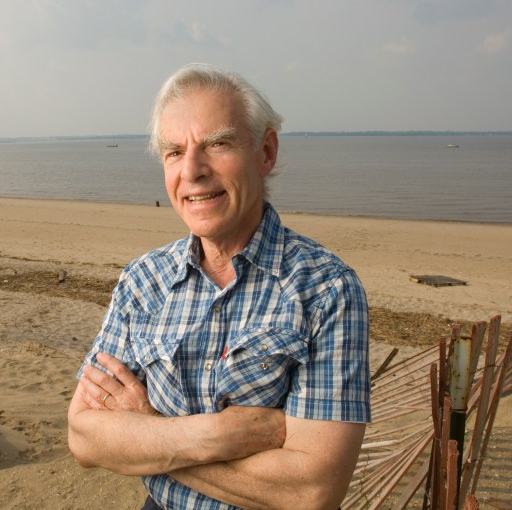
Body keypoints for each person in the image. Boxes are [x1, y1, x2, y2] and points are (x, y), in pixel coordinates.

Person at [67, 64, 370, 510]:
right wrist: (217, 435)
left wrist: (148, 430)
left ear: (265, 152)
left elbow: (311, 492)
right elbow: (84, 436)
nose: (192, 171)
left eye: (217, 144)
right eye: (173, 152)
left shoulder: (326, 290)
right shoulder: (143, 281)